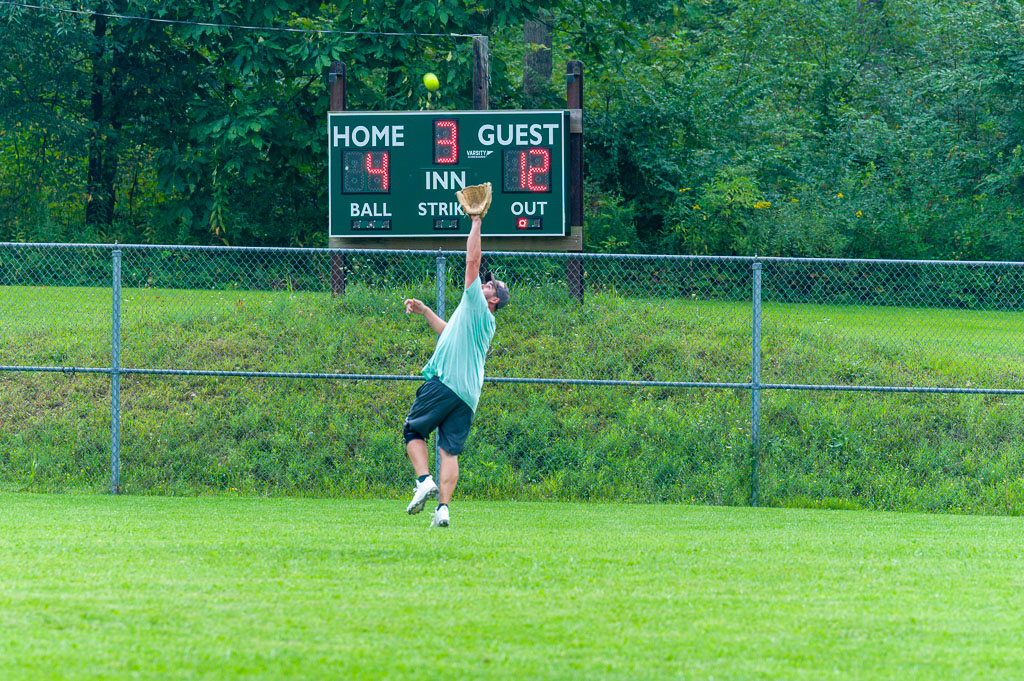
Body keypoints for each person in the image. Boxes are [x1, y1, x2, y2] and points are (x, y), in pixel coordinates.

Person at [401, 213, 509, 528]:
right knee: (449, 451)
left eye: (491, 286)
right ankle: (443, 510)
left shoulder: (478, 304)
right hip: (468, 395)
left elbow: (472, 261)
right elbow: (448, 331)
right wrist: (425, 311)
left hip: (446, 382)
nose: (485, 284)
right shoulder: (480, 320)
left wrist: (476, 223)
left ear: (493, 300)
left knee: (413, 431)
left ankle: (423, 480)